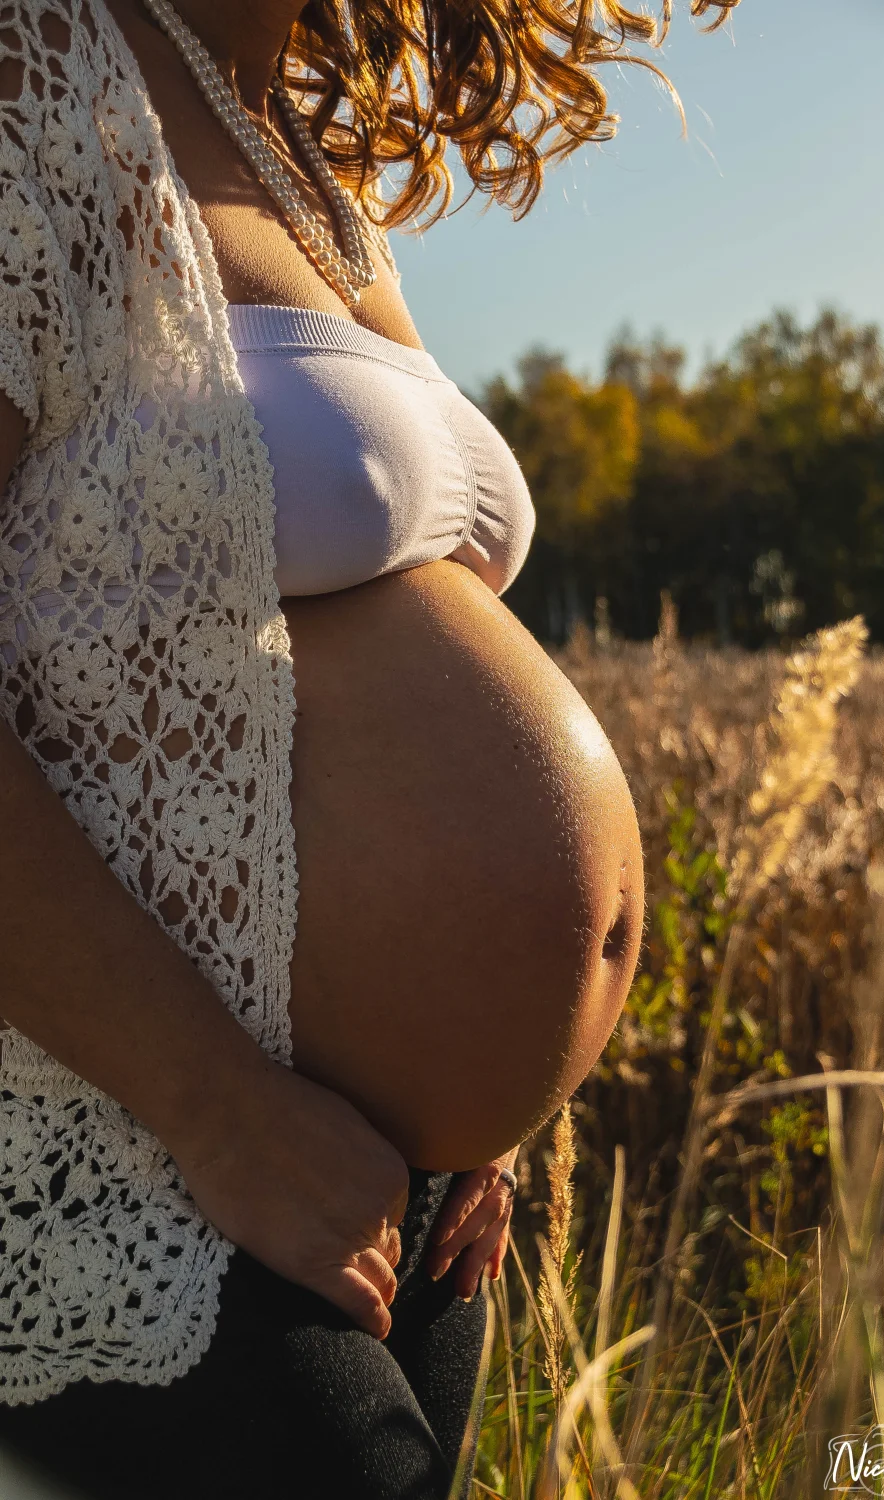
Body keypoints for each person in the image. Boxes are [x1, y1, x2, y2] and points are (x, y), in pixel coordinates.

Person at [0, 0, 735, 1493]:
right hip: (139, 1141)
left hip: (385, 1175)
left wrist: (487, 1096)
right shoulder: (38, 67)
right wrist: (213, 1102)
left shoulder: (309, 172)